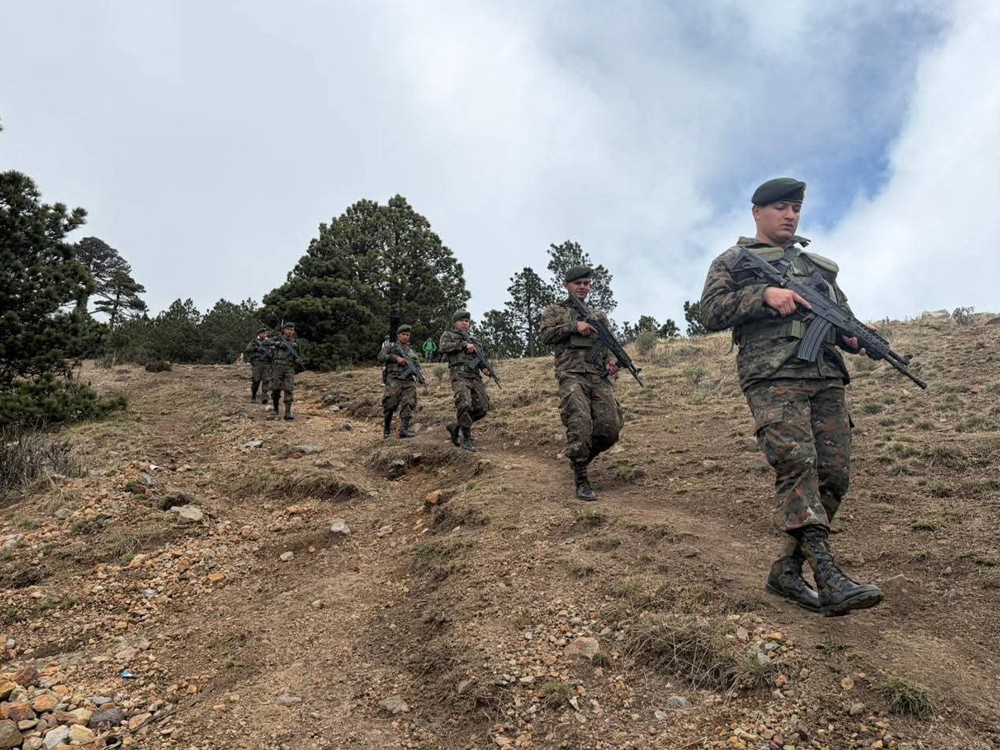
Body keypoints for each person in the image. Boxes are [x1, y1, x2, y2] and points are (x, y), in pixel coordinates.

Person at [698, 177, 883, 617]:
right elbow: (709, 311)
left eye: (795, 209)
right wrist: (762, 294)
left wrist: (858, 338)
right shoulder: (734, 260)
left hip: (824, 377)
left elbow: (840, 321)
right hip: (773, 375)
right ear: (757, 211)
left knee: (834, 476)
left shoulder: (815, 268)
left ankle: (786, 570)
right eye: (781, 207)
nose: (790, 215)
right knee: (797, 463)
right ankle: (828, 575)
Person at [539, 266, 624, 501]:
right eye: (578, 283)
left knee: (610, 429)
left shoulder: (599, 315)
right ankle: (581, 476)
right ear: (566, 285)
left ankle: (582, 458)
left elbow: (608, 345)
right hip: (571, 374)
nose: (583, 287)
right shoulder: (555, 310)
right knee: (579, 422)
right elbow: (545, 335)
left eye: (586, 283)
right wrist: (573, 327)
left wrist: (613, 363)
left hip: (598, 376)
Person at [439, 310, 491, 451]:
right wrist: (463, 345)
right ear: (455, 323)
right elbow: (443, 347)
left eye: (467, 321)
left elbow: (479, 359)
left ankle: (456, 427)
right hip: (459, 375)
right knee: (465, 404)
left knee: (482, 408)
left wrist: (485, 368)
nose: (464, 323)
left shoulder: (475, 341)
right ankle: (466, 439)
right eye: (462, 320)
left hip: (474, 376)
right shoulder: (449, 335)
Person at [377, 324, 419, 439]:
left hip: (408, 380)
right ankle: (387, 430)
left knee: (408, 403)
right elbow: (380, 357)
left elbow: (417, 365)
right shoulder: (390, 347)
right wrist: (395, 358)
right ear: (398, 336)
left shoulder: (411, 351)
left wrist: (417, 373)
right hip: (394, 379)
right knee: (390, 404)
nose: (405, 337)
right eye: (403, 334)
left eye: (407, 335)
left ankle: (404, 430)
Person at [269, 322, 302, 421]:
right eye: (288, 329)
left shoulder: (295, 344)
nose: (289, 331)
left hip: (289, 368)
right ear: (284, 330)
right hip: (277, 367)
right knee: (275, 389)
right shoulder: (277, 339)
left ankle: (288, 412)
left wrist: (297, 361)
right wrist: (278, 343)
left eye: (291, 330)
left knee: (289, 389)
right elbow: (266, 342)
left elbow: (297, 355)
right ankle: (275, 409)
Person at [245, 327, 274, 404]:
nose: (264, 334)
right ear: (259, 334)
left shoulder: (270, 342)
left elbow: (274, 350)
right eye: (262, 333)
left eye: (265, 333)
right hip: (257, 363)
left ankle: (264, 395)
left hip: (267, 363)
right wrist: (257, 348)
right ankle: (253, 396)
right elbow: (247, 350)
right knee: (256, 380)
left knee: (266, 380)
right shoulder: (254, 342)